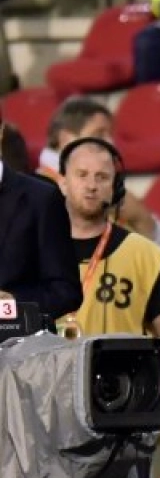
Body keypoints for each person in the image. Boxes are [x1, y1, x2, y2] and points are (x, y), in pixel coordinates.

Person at [54, 137, 160, 478]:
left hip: (122, 418)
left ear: (116, 186)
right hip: (50, 418)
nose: (92, 184)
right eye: (81, 175)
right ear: (62, 180)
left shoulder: (144, 255)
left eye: (102, 176)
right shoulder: (33, 248)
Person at [37, 96, 160, 253]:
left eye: (110, 135)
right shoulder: (40, 193)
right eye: (98, 135)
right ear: (65, 138)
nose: (110, 143)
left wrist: (142, 218)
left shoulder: (113, 190)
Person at [0, 107, 82, 322]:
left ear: (1, 132)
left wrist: (13, 304)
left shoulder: (41, 198)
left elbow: (66, 291)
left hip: (19, 347)